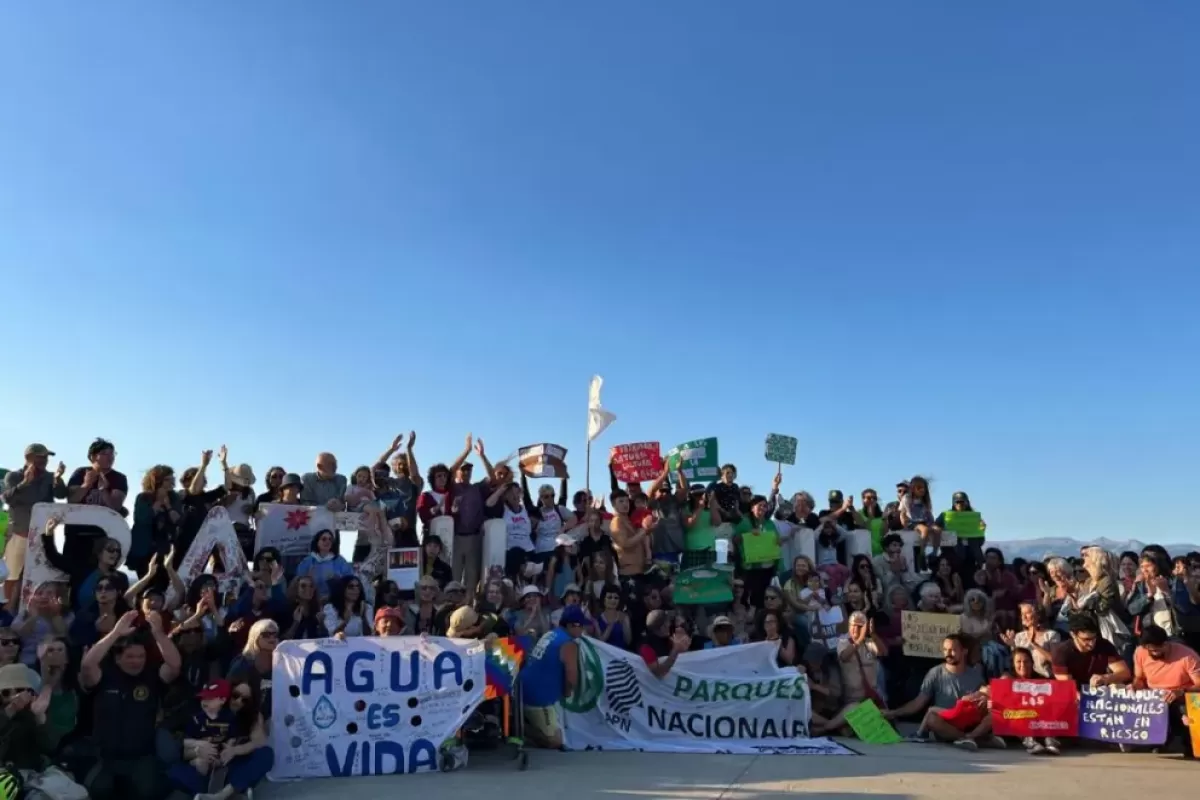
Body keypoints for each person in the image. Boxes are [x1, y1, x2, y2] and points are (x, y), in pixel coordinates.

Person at [80, 610, 182, 800]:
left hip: (141, 758)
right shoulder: (104, 676)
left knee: (148, 792)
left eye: (140, 657)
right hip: (105, 758)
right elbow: (87, 665)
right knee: (97, 791)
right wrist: (116, 633)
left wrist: (158, 633)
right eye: (130, 657)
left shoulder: (152, 676)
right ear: (118, 658)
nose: (136, 662)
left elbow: (174, 666)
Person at [884, 633, 1000, 750]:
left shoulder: (976, 674)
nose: (948, 654)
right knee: (931, 719)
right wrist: (893, 713)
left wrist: (985, 700)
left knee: (993, 714)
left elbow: (984, 694)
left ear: (964, 651)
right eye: (945, 650)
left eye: (952, 650)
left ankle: (970, 737)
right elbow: (918, 702)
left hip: (968, 723)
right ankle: (971, 738)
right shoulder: (935, 673)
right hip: (946, 723)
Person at [2, 443, 67, 603]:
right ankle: (7, 609)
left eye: (46, 457)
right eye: (40, 457)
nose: (44, 460)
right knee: (12, 576)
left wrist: (58, 479)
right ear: (28, 458)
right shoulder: (13, 476)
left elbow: (61, 495)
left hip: (42, 537)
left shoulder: (50, 477)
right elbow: (7, 498)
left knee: (40, 576)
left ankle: (32, 609)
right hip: (19, 534)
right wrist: (24, 483)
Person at [519, 605, 589, 749]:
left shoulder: (550, 634)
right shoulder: (569, 644)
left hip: (522, 687)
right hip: (538, 698)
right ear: (571, 625)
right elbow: (571, 677)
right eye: (580, 626)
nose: (582, 630)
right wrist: (567, 693)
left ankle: (519, 719)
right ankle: (519, 728)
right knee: (555, 741)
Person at [1131, 624, 1199, 759]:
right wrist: (1134, 687)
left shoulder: (1187, 655)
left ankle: (1189, 743)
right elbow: (1139, 678)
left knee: (1190, 710)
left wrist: (1181, 691)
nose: (1155, 653)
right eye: (1151, 651)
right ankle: (1157, 741)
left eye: (1158, 650)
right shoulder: (1140, 652)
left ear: (1166, 644)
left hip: (1182, 697)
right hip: (1155, 697)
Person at [1051, 613, 1131, 688]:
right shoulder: (1061, 653)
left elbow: (1125, 673)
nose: (1092, 643)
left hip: (1098, 691)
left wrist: (1106, 678)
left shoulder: (1103, 645)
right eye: (1086, 639)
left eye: (1094, 638)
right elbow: (1068, 688)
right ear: (1073, 635)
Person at [638, 609, 691, 678]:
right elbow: (659, 673)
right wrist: (675, 650)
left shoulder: (668, 637)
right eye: (667, 622)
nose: (670, 624)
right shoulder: (646, 647)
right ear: (663, 627)